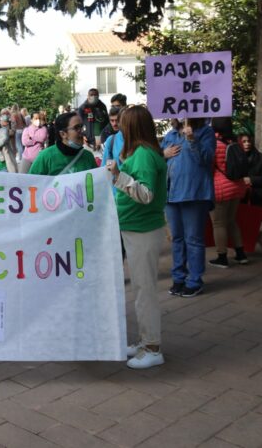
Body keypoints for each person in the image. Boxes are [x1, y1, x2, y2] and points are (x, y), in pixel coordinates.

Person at [105, 105, 167, 369]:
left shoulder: (142, 154)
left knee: (144, 291)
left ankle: (153, 347)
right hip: (138, 227)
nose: (118, 125)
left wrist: (119, 176)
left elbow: (146, 193)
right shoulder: (144, 152)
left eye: (123, 122)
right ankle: (146, 342)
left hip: (142, 228)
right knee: (142, 289)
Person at [160, 117, 215, 297]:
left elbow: (207, 159)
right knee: (177, 238)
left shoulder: (206, 132)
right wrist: (163, 154)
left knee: (193, 239)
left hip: (194, 193)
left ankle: (194, 280)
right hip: (171, 194)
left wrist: (192, 141)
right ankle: (179, 278)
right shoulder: (171, 135)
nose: (177, 116)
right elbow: (160, 161)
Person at [209, 117, 249, 269]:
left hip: (220, 189)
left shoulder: (215, 144)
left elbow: (210, 166)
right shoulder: (234, 142)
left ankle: (222, 257)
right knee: (231, 221)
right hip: (237, 187)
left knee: (218, 223)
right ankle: (241, 254)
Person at [29, 112, 97, 175]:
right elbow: (31, 184)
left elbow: (97, 182)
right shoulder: (45, 157)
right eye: (76, 128)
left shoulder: (88, 156)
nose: (82, 131)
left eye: (82, 127)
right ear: (63, 134)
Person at [239, 134, 262, 255]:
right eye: (243, 141)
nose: (247, 144)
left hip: (258, 197)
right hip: (240, 198)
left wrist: (252, 180)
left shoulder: (260, 158)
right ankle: (243, 249)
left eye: (249, 141)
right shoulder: (235, 158)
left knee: (261, 225)